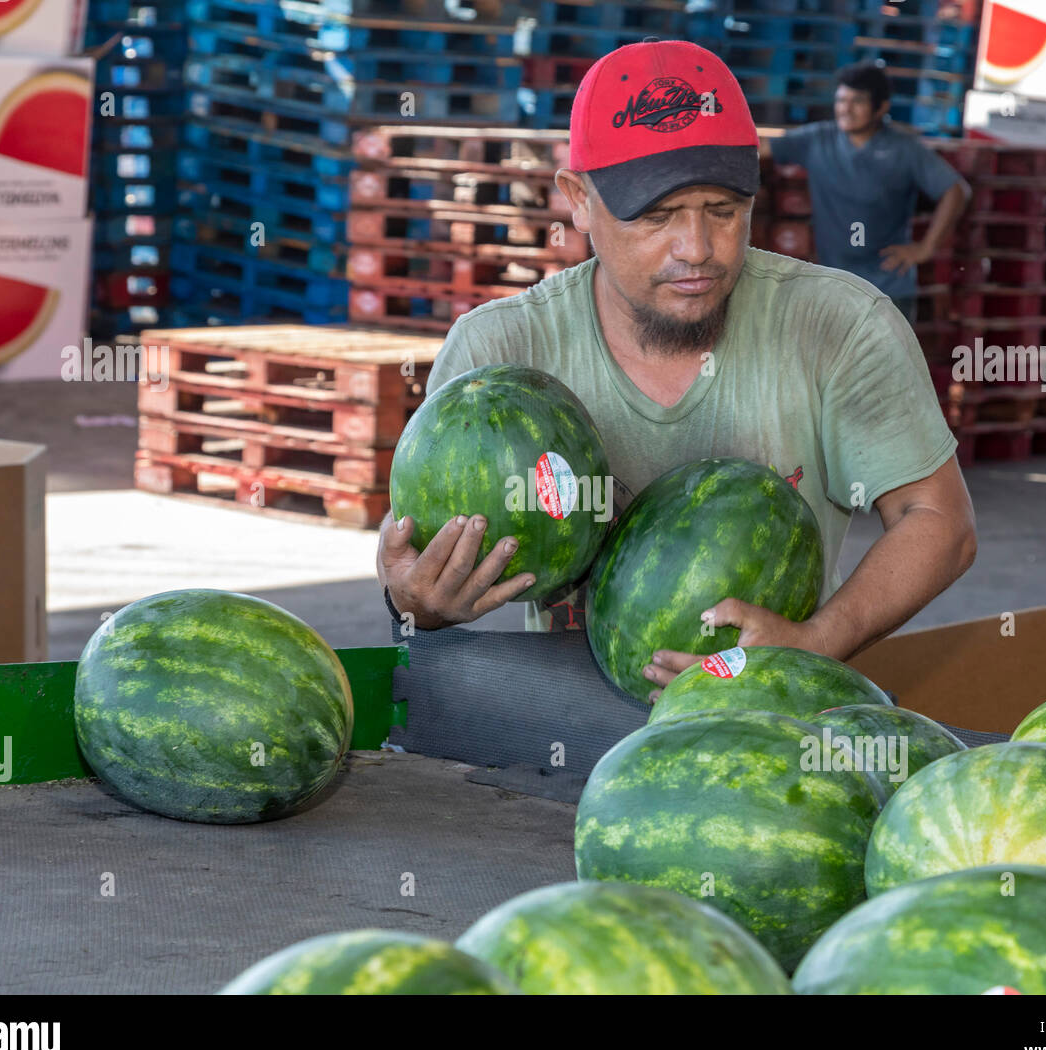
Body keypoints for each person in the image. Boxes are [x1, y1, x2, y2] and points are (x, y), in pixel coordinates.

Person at [377, 39, 976, 697]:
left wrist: (815, 641)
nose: (697, 249)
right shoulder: (497, 352)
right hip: (572, 717)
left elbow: (939, 520)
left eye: (723, 210)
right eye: (657, 216)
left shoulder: (838, 325)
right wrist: (417, 597)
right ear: (578, 198)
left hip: (765, 722)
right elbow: (419, 594)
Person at [769, 61, 971, 321]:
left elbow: (955, 191)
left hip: (887, 292)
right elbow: (761, 148)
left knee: (887, 363)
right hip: (832, 289)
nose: (846, 109)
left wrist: (925, 248)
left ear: (882, 107)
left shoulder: (904, 149)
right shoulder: (817, 140)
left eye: (857, 102)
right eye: (841, 100)